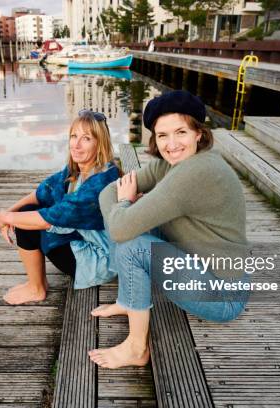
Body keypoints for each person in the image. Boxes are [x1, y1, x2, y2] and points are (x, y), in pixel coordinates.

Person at [89, 90, 249, 369]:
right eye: (162, 135)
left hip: (223, 292)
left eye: (181, 132)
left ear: (199, 133)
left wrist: (127, 204)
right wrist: (124, 208)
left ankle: (137, 349)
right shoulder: (169, 164)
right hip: (198, 259)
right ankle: (130, 300)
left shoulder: (197, 171)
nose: (171, 144)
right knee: (128, 228)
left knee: (131, 243)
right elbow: (107, 194)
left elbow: (120, 227)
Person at [0, 109, 120, 305]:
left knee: (28, 222)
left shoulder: (101, 182)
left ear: (100, 143)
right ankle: (37, 283)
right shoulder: (78, 170)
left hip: (101, 261)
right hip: (85, 241)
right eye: (74, 136)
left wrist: (8, 218)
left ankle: (36, 289)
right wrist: (9, 212)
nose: (76, 145)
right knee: (26, 212)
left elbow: (50, 218)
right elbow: (42, 192)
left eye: (86, 138)